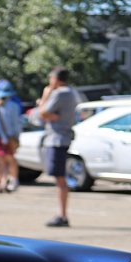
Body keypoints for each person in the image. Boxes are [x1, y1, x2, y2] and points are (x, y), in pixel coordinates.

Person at [33, 67, 82, 227]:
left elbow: (42, 114)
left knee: (60, 178)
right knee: (59, 178)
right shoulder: (72, 92)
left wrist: (44, 98)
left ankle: (62, 215)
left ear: (56, 79)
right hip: (62, 136)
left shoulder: (60, 93)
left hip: (57, 139)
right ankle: (62, 214)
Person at [0, 83, 24, 193]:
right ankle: (8, 182)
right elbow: (16, 124)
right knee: (10, 161)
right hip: (7, 138)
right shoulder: (13, 106)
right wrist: (17, 137)